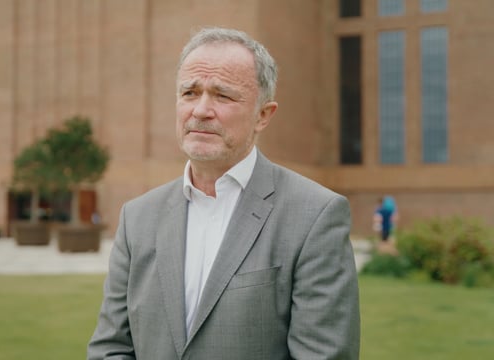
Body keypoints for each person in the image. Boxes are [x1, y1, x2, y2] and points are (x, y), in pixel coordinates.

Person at [88, 27, 360, 360]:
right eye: (189, 92)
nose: (200, 110)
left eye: (222, 95)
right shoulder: (137, 217)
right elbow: (111, 347)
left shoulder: (315, 216)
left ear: (263, 115)